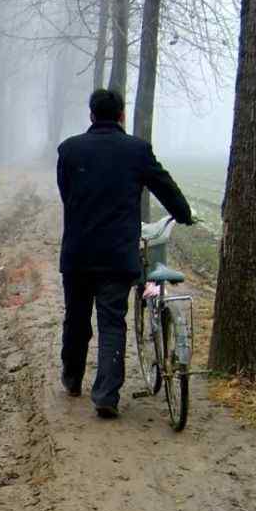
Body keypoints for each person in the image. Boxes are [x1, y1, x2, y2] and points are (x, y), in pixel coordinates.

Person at [56, 88, 193, 418]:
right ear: (121, 116)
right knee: (112, 322)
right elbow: (165, 186)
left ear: (91, 115)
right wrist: (184, 213)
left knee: (76, 318)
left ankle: (72, 378)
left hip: (78, 252)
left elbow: (66, 194)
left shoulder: (69, 150)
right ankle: (105, 395)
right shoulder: (137, 150)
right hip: (118, 255)